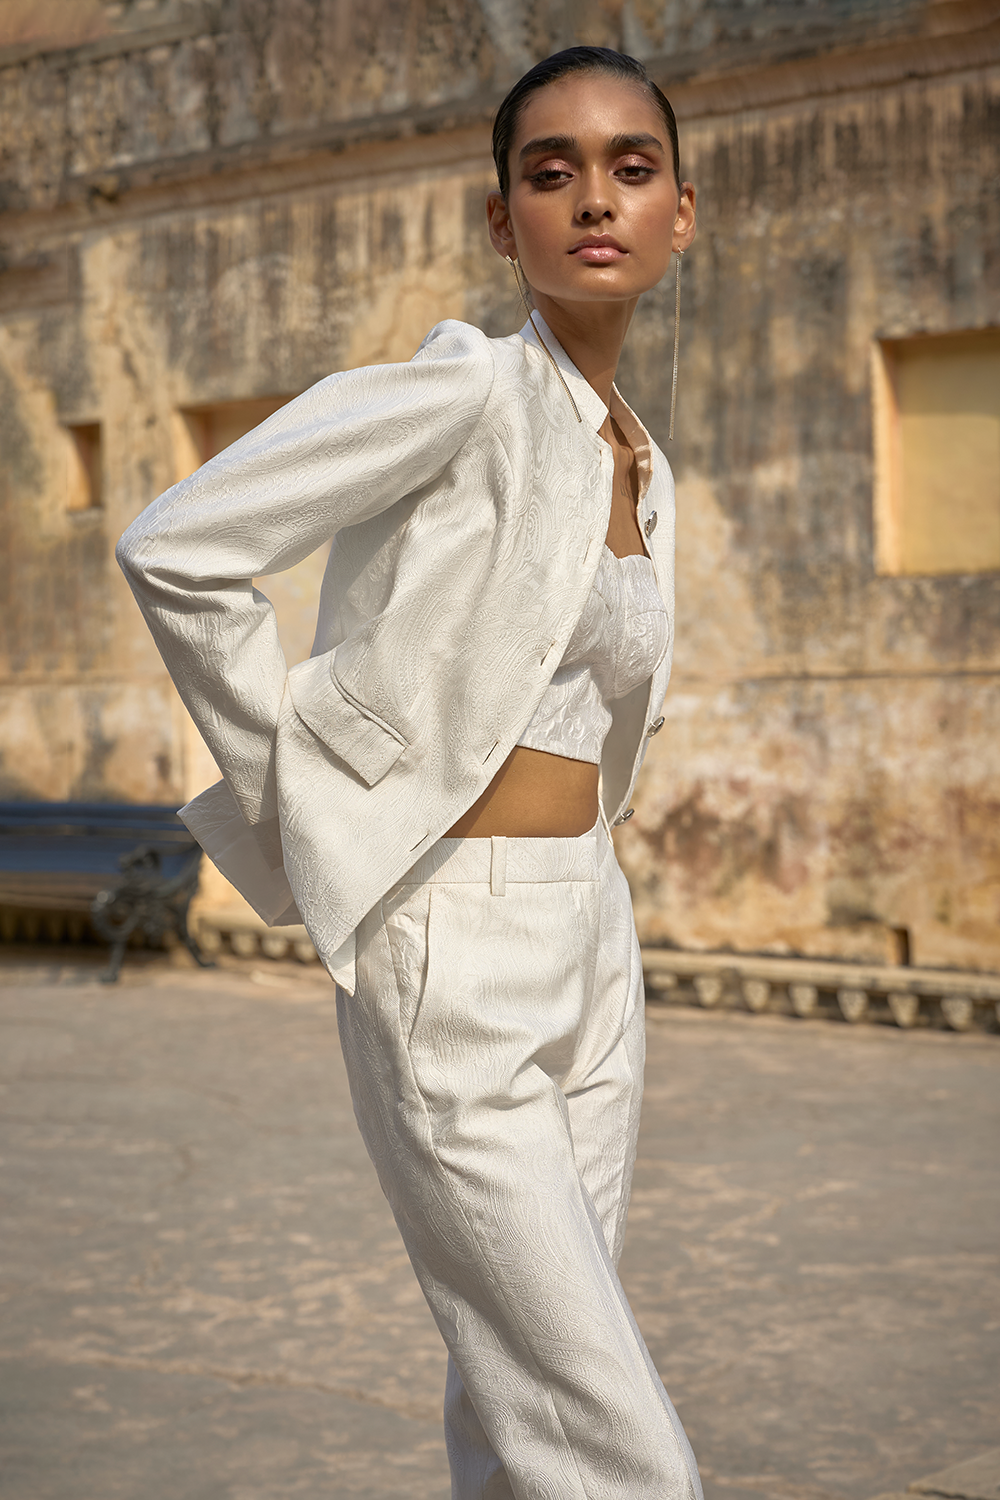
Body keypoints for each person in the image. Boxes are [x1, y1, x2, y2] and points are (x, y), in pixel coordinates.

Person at [117, 43, 699, 1500]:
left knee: (523, 1405)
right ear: (503, 221)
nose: (593, 199)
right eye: (549, 171)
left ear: (682, 213)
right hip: (453, 941)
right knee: (612, 1444)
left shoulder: (643, 457)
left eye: (632, 167)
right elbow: (178, 548)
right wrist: (308, 792)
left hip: (592, 935)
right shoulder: (469, 392)